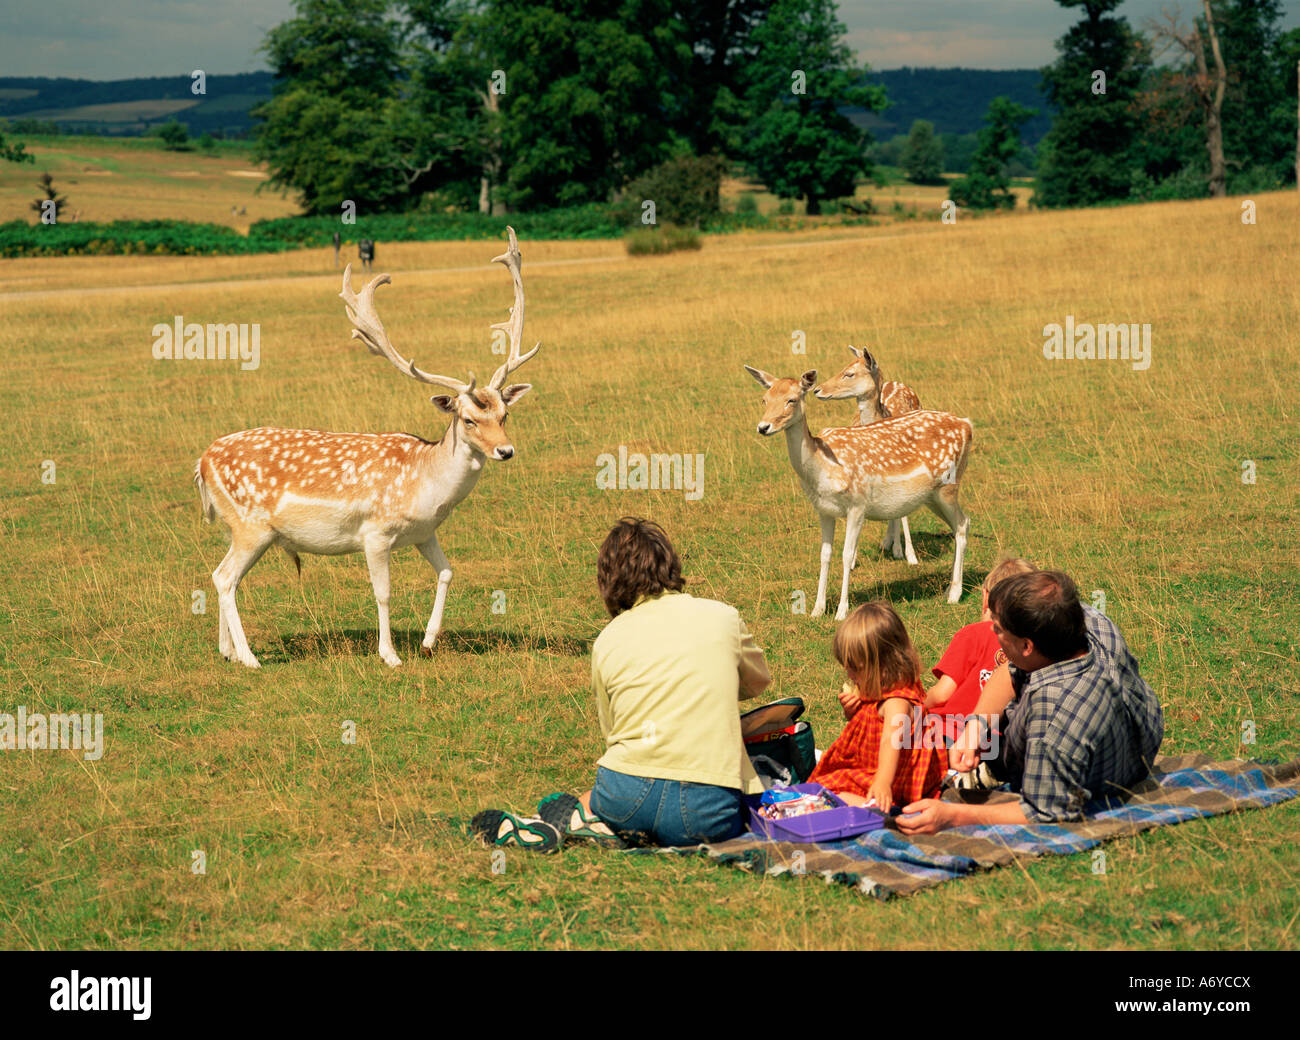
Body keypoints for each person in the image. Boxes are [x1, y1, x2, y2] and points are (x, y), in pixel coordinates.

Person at [471, 517, 771, 852]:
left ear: (608, 581)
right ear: (670, 564)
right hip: (705, 814)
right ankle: (591, 824)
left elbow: (614, 732)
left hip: (624, 798)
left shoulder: (606, 640)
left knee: (602, 792)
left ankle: (582, 822)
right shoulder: (723, 617)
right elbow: (758, 683)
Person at [897, 570, 1164, 834]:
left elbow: (1045, 811)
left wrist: (953, 816)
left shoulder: (1053, 720)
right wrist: (975, 727)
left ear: (1027, 646)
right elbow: (1011, 669)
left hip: (1108, 771)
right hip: (1135, 737)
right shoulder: (1084, 621)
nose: (991, 631)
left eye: (999, 629)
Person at [806, 601, 947, 813]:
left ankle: (881, 809)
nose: (848, 673)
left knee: (827, 794)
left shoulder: (897, 702)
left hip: (892, 780)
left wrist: (882, 782)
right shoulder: (881, 689)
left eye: (855, 668)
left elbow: (891, 739)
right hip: (874, 770)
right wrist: (853, 712)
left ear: (884, 665)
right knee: (825, 790)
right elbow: (870, 726)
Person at [925, 557, 1036, 744]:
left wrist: (919, 704)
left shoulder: (972, 634)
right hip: (995, 741)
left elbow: (942, 694)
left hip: (949, 732)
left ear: (986, 597)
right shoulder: (1031, 646)